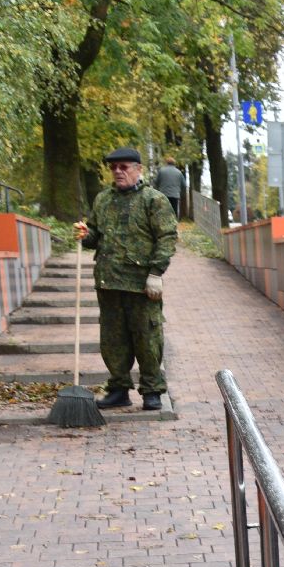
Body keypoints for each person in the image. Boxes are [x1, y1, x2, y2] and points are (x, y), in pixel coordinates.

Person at [73, 147, 177, 411]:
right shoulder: (103, 200)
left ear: (138, 169)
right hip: (109, 282)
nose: (118, 171)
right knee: (112, 340)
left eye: (124, 167)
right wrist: (86, 235)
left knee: (147, 338)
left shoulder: (153, 200)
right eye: (113, 168)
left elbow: (166, 237)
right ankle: (119, 388)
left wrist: (156, 273)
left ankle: (152, 390)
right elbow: (95, 235)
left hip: (141, 284)